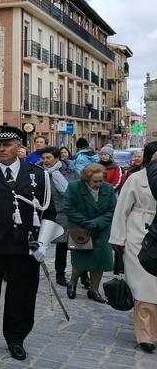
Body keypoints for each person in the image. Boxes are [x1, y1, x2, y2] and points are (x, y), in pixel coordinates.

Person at [0, 125, 55, 363]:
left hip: (25, 246)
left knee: (22, 295)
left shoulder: (38, 175)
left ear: (18, 146)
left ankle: (16, 339)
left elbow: (50, 213)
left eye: (7, 144)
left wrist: (43, 243)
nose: (1, 149)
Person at [110, 141, 157, 353]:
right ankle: (145, 335)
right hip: (138, 236)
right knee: (144, 288)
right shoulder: (137, 179)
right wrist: (118, 239)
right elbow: (122, 209)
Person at [63, 163, 117, 303]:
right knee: (80, 261)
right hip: (81, 230)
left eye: (101, 180)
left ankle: (93, 290)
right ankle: (72, 283)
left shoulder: (108, 189)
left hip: (101, 230)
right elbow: (67, 207)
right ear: (87, 179)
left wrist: (98, 222)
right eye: (95, 181)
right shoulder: (74, 187)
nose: (98, 184)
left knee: (100, 262)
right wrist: (84, 221)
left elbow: (112, 210)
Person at [41, 146, 79, 287]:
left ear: (56, 158)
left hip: (64, 212)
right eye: (43, 158)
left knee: (64, 245)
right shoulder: (39, 172)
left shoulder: (69, 171)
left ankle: (61, 273)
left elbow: (76, 188)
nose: (45, 161)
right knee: (39, 243)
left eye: (48, 158)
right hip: (45, 211)